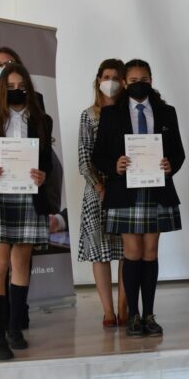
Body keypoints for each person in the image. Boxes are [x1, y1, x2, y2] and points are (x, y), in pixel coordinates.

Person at [93, 59, 186, 338]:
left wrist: (172, 164)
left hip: (157, 189)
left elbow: (179, 152)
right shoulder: (111, 114)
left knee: (150, 252)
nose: (139, 84)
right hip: (125, 190)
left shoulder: (167, 112)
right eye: (133, 80)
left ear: (151, 79)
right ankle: (132, 315)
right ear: (124, 82)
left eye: (144, 78)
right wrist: (114, 166)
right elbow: (98, 155)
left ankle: (149, 314)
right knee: (132, 253)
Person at [0, 64, 53, 361]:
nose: (16, 89)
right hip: (0, 196)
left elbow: (46, 162)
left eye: (21, 84)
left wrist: (43, 175)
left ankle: (15, 328)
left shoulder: (43, 121)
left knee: (21, 265)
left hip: (30, 197)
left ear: (29, 88)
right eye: (10, 84)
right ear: (0, 89)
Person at [77, 58, 129, 328]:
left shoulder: (128, 113)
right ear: (98, 79)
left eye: (116, 77)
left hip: (124, 189)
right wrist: (100, 187)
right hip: (96, 193)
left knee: (125, 250)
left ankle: (124, 305)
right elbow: (84, 159)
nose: (110, 81)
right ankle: (108, 310)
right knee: (100, 252)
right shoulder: (89, 115)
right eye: (106, 76)